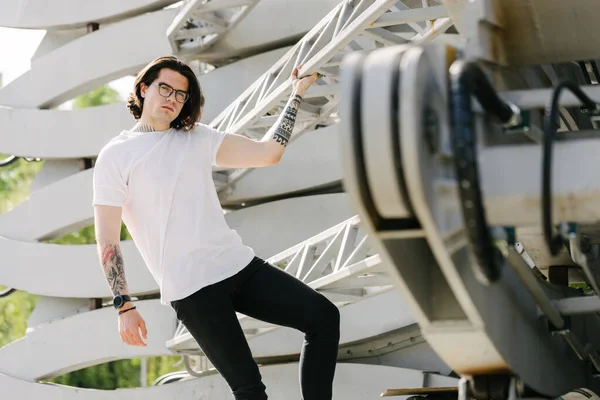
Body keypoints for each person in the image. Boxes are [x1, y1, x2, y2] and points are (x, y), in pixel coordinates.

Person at [92, 56, 341, 400]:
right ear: (144, 88)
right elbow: (107, 238)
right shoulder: (116, 155)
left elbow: (268, 153)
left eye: (181, 95)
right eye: (165, 88)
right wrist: (124, 305)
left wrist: (296, 93)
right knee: (249, 390)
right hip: (192, 289)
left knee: (324, 318)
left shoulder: (197, 138)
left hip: (236, 266)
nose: (172, 98)